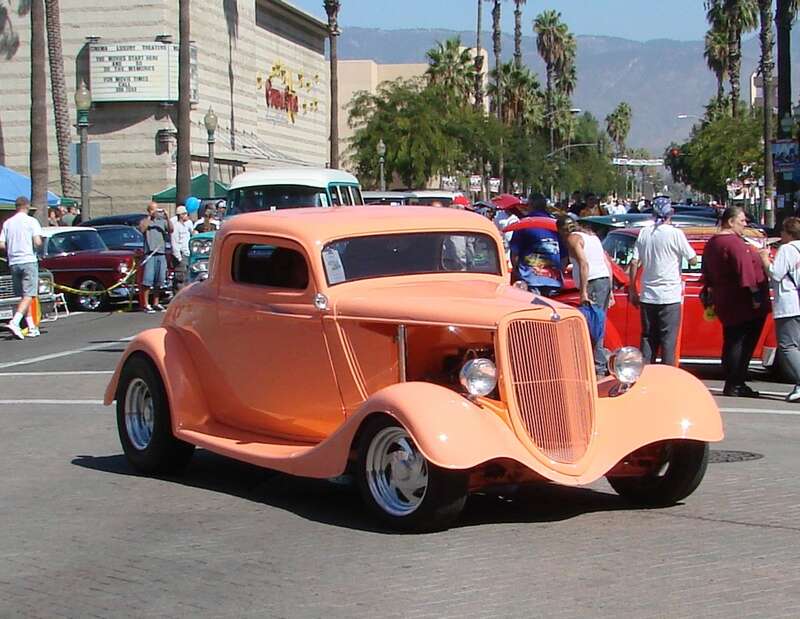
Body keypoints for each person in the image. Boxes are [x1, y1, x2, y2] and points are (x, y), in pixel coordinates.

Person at [702, 206, 770, 398]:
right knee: (741, 342)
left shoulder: (713, 243)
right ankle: (735, 382)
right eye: (742, 221)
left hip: (725, 299)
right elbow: (745, 272)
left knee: (732, 340)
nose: (745, 224)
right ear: (730, 222)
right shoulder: (734, 244)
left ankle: (734, 381)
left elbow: (706, 272)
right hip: (742, 302)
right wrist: (755, 296)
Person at [627, 196, 697, 365]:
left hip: (648, 295)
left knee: (648, 338)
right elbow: (693, 259)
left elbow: (634, 262)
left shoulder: (645, 233)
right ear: (670, 213)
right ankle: (667, 374)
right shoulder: (675, 234)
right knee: (668, 340)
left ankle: (645, 372)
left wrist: (632, 289)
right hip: (669, 295)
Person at [557, 215, 614, 374]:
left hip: (592, 283)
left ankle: (597, 367)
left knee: (592, 326)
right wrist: (610, 291)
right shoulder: (591, 236)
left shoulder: (573, 239)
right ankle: (597, 364)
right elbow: (606, 263)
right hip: (603, 280)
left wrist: (583, 292)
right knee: (599, 324)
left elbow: (583, 264)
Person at [759, 217, 800, 402]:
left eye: (782, 231)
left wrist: (765, 259)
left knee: (788, 346)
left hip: (789, 304)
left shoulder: (787, 249)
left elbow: (776, 274)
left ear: (788, 233)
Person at [0, 197, 43, 339]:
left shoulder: (8, 223)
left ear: (16, 206)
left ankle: (31, 327)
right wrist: (37, 247)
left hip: (13, 262)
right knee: (29, 294)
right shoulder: (31, 221)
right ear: (27, 206)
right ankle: (15, 321)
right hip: (28, 260)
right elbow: (37, 241)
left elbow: (1, 244)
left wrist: (11, 250)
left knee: (24, 296)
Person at [509, 194, 563, 297]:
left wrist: (517, 271)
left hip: (530, 278)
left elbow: (514, 253)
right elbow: (564, 256)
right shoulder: (556, 224)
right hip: (554, 280)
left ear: (530, 205)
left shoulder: (524, 223)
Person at [138, 201, 172, 313]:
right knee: (147, 280)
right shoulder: (145, 221)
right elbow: (142, 229)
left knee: (159, 280)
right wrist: (150, 217)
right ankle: (146, 304)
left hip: (161, 253)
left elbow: (171, 229)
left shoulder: (161, 222)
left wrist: (167, 217)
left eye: (157, 209)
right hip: (150, 254)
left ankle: (156, 303)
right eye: (154, 209)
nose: (156, 212)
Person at [170, 205, 194, 290]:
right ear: (181, 215)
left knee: (187, 278)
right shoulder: (176, 226)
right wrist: (179, 257)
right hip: (181, 255)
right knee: (180, 278)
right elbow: (174, 243)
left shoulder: (186, 225)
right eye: (185, 214)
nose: (187, 215)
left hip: (187, 254)